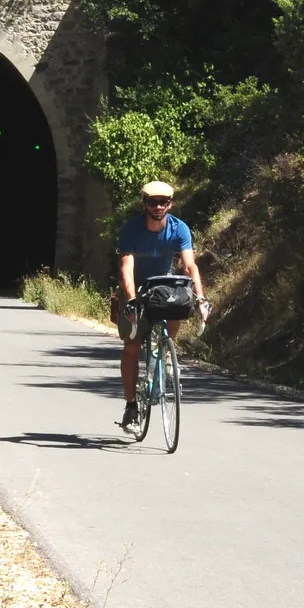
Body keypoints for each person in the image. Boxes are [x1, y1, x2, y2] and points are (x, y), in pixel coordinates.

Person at [116, 181, 207, 428]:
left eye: (163, 202)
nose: (158, 206)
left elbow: (190, 266)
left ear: (170, 204)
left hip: (161, 285)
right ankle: (131, 406)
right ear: (144, 203)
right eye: (153, 202)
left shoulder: (180, 229)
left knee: (180, 301)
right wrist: (132, 301)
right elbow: (127, 268)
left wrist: (200, 297)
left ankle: (166, 350)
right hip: (136, 287)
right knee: (132, 346)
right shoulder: (131, 230)